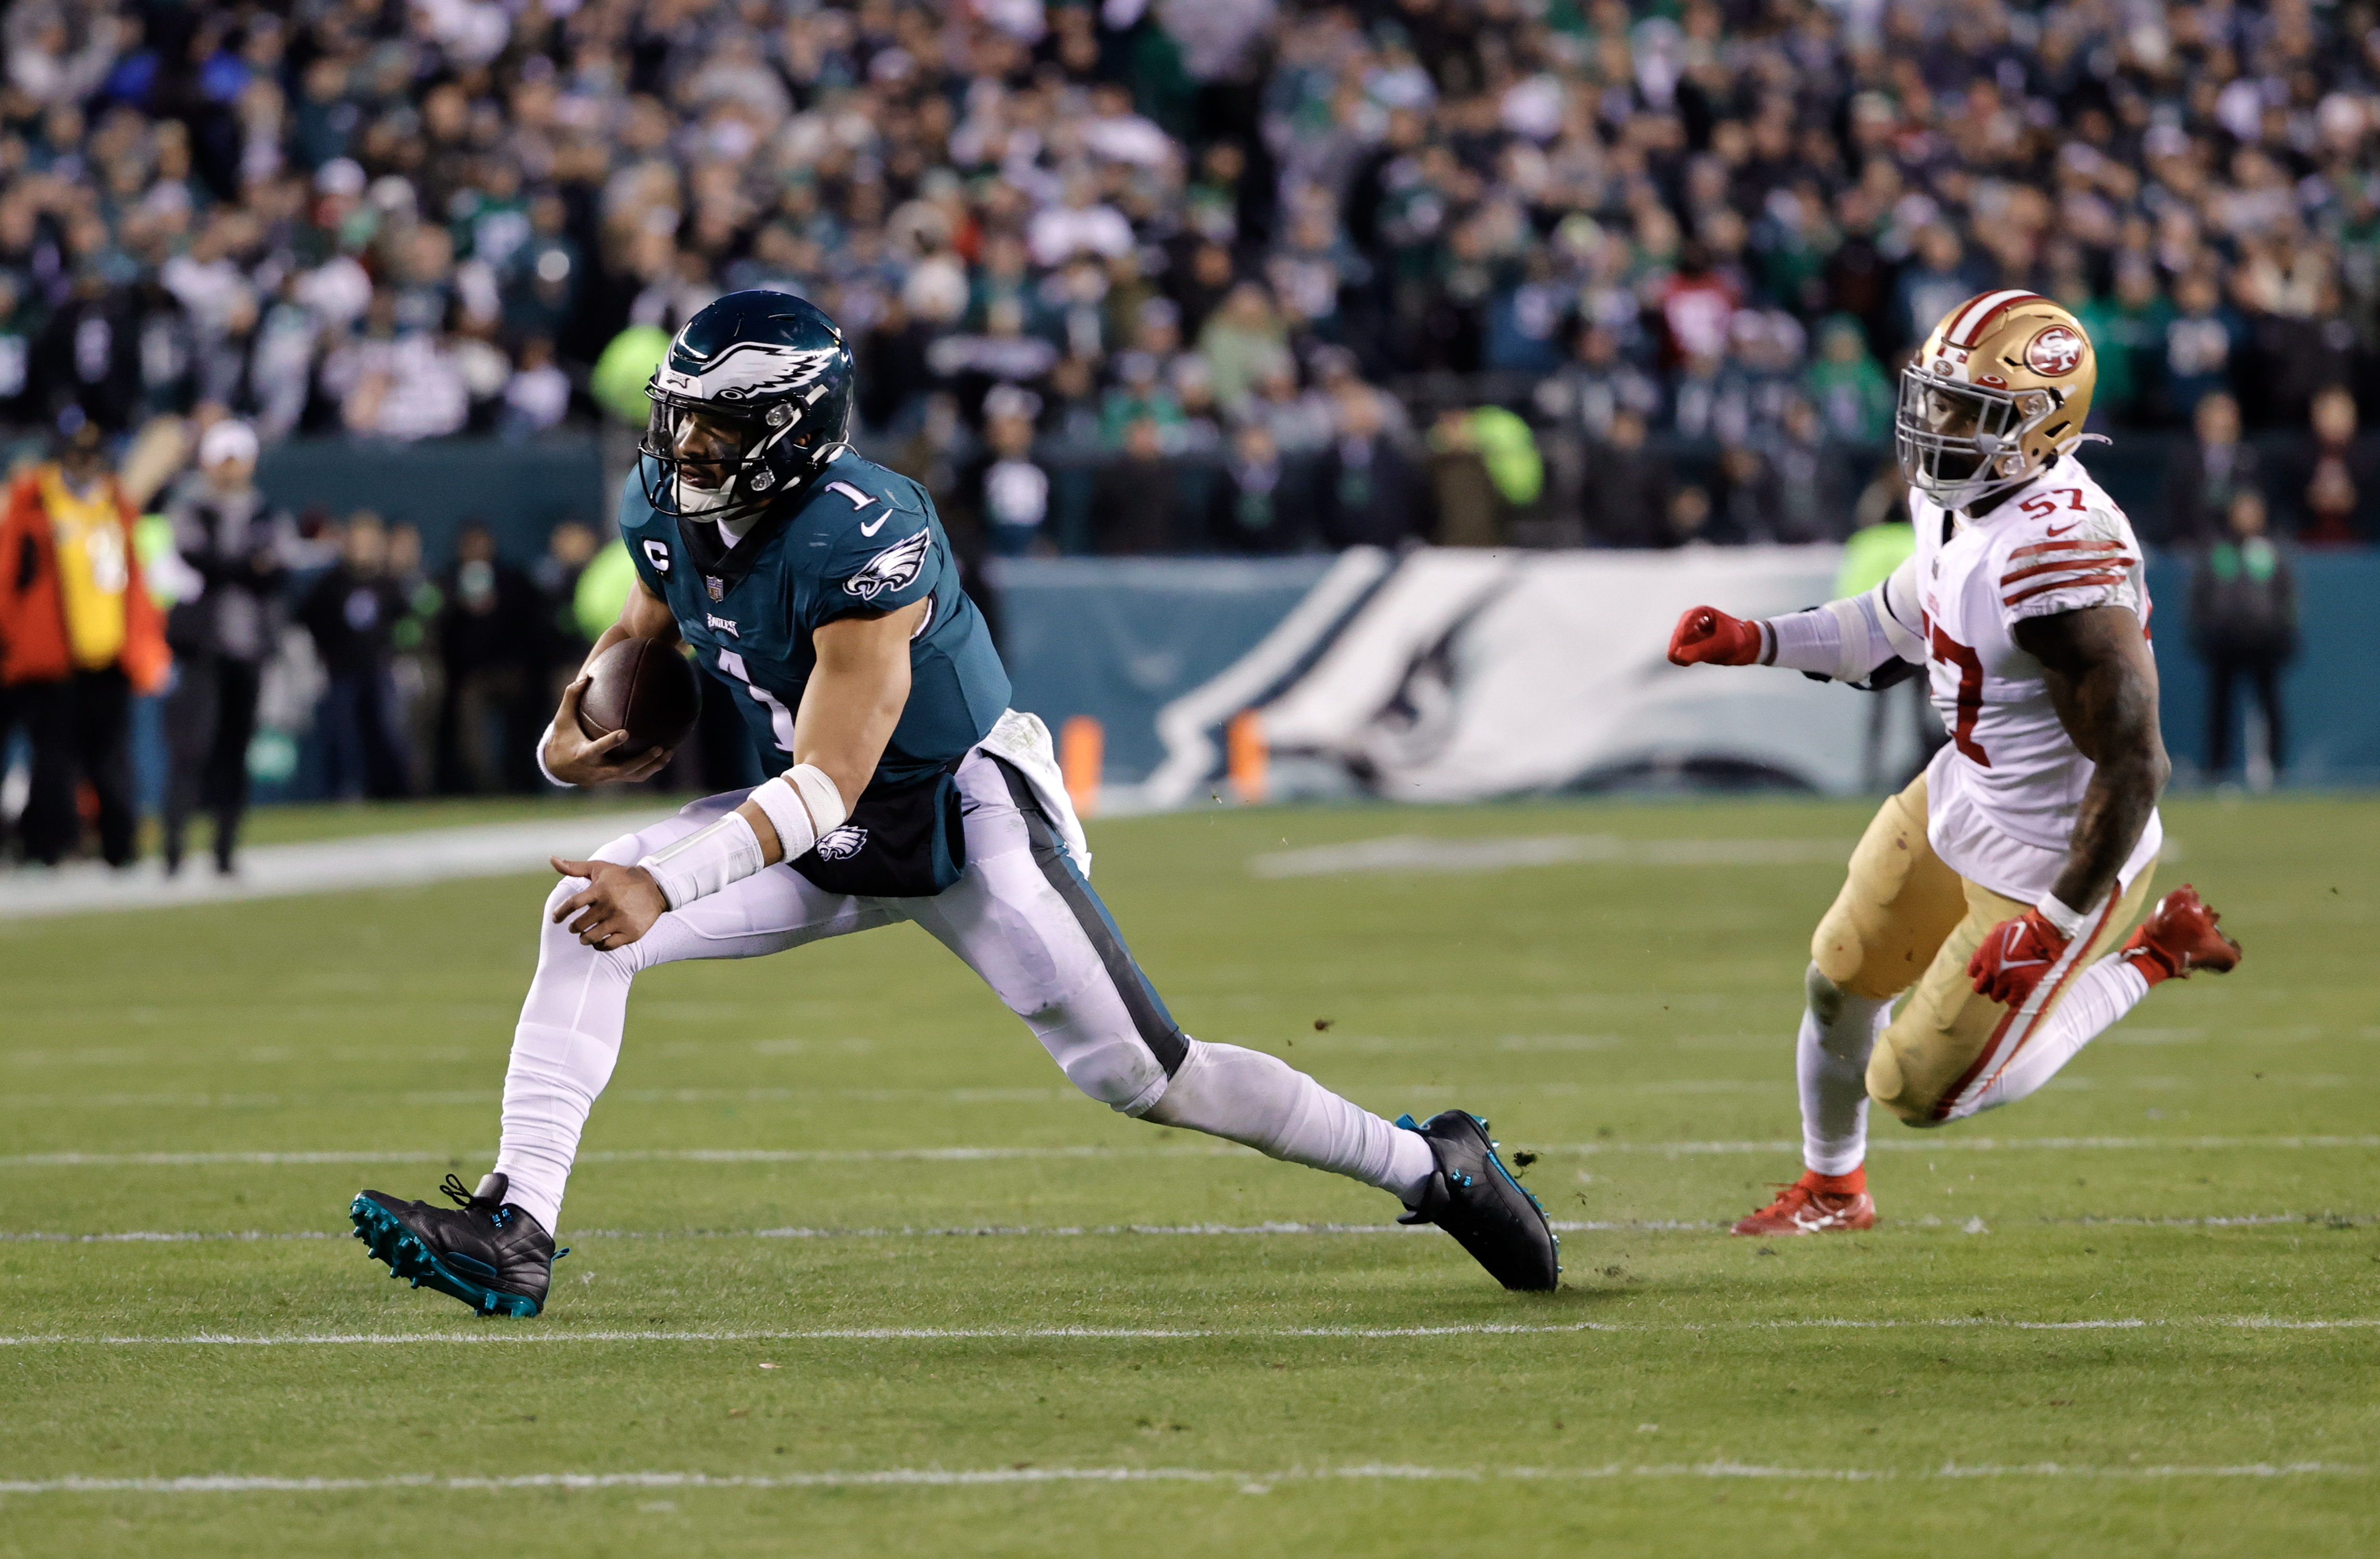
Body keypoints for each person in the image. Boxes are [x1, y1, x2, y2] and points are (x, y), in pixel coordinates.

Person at [350, 292, 1557, 1316]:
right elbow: (630, 651)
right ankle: (518, 1224)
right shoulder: (663, 512)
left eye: (713, 430)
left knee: (1146, 1077)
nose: (685, 452)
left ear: (787, 432)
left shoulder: (867, 532)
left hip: (957, 810)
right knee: (583, 906)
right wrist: (577, 744)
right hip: (813, 814)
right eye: (679, 422)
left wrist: (666, 880)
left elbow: (835, 777)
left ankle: (1429, 1164)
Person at [1666, 294, 2242, 1236]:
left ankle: (2150, 956)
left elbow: (2137, 766)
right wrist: (1755, 640)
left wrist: (2056, 924)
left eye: (1970, 411)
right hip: (1964, 792)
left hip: (2056, 857)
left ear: (2040, 425)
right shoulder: (1957, 500)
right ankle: (1833, 1190)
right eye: (1936, 399)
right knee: (1837, 980)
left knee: (1919, 1089)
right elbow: (1890, 624)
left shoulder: (2060, 562)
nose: (1938, 425)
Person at [0, 414, 170, 867]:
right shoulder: (35, 501)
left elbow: (136, 579)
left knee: (110, 758)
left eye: (93, 457)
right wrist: (15, 640)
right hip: (51, 656)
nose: (86, 465)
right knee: (53, 759)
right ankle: (49, 848)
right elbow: (9, 579)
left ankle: (119, 847)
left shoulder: (115, 504)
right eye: (77, 456)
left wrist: (142, 642)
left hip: (108, 653)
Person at [161, 419, 288, 876]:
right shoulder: (193, 508)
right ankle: (174, 848)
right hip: (204, 648)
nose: (233, 470)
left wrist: (241, 567)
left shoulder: (265, 513)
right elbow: (195, 558)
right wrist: (246, 566)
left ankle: (225, 849)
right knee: (191, 748)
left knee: (235, 752)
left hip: (249, 647)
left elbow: (276, 571)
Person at [298, 513, 412, 800]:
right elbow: (309, 618)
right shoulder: (332, 583)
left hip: (379, 669)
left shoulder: (389, 584)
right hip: (341, 671)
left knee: (385, 731)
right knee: (342, 735)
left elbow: (405, 624)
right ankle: (343, 792)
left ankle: (389, 793)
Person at [2190, 489, 2296, 784]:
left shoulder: (2272, 549)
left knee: (2271, 707)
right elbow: (2200, 595)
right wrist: (2204, 632)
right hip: (2225, 643)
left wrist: (2285, 633)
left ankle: (2277, 769)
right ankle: (2216, 770)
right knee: (2220, 710)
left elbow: (2286, 595)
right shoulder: (2217, 550)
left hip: (2265, 642)